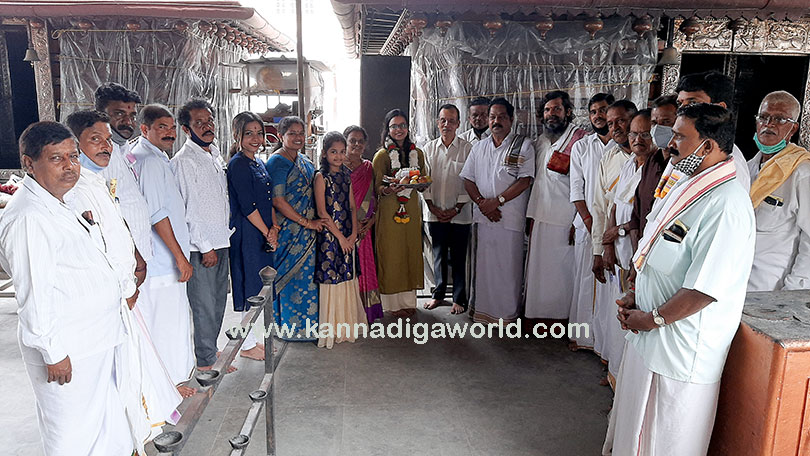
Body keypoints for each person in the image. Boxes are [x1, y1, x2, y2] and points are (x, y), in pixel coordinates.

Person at [603, 103, 755, 455]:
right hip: (649, 334)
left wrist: (652, 319)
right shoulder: (688, 184)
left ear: (708, 146)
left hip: (679, 349)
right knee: (634, 434)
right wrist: (637, 296)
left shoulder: (726, 203)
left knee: (665, 439)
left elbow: (705, 290)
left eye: (679, 137)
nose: (670, 144)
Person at [0, 122, 133, 455]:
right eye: (56, 158)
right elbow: (34, 294)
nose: (70, 166)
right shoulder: (29, 217)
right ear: (29, 164)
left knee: (103, 426)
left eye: (73, 156)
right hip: (68, 348)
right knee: (72, 436)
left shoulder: (59, 202)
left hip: (94, 338)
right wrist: (53, 353)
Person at [63, 110, 182, 450]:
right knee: (114, 378)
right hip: (105, 300)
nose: (106, 146)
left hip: (124, 288)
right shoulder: (74, 190)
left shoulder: (96, 181)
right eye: (95, 140)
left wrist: (136, 259)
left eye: (107, 139)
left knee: (132, 369)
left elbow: (118, 225)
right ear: (75, 146)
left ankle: (133, 434)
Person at [172, 99, 256, 367]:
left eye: (210, 121)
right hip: (201, 246)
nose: (207, 127)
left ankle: (210, 349)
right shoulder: (185, 161)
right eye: (199, 123)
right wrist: (205, 246)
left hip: (221, 240)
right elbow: (189, 209)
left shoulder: (214, 155)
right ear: (186, 129)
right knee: (204, 304)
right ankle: (205, 360)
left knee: (219, 300)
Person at [130, 104, 196, 397]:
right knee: (167, 325)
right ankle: (170, 384)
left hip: (160, 261)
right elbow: (157, 214)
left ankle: (168, 382)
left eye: (171, 127)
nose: (169, 133)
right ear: (145, 129)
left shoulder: (151, 157)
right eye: (161, 127)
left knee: (164, 323)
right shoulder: (150, 162)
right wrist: (180, 258)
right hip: (162, 262)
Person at [460, 97, 535, 323]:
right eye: (492, 117)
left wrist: (497, 201)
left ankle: (507, 315)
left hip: (509, 218)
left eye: (501, 117)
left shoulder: (523, 145)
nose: (496, 121)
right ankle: (482, 312)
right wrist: (483, 203)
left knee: (508, 269)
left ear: (511, 119)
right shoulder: (479, 147)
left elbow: (525, 180)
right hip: (483, 218)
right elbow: (467, 179)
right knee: (484, 268)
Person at [525, 91, 588, 332]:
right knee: (538, 273)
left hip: (566, 219)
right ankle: (536, 319)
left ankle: (560, 322)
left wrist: (578, 220)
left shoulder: (580, 140)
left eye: (557, 109)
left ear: (568, 112)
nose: (552, 114)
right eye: (547, 110)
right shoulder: (540, 142)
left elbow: (586, 184)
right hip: (540, 215)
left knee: (563, 273)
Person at [590, 100, 636, 382]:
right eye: (610, 123)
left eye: (621, 120)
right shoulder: (610, 158)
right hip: (613, 249)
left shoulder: (652, 159)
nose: (616, 127)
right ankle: (613, 373)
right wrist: (601, 248)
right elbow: (601, 207)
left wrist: (617, 233)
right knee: (614, 311)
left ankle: (624, 381)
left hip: (635, 248)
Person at [266, 116, 323, 340]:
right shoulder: (277, 163)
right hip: (288, 232)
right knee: (289, 280)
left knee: (308, 279)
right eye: (292, 133)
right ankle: (288, 329)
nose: (298, 137)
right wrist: (307, 222)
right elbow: (277, 201)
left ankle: (309, 329)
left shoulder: (304, 160)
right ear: (281, 136)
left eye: (301, 133)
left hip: (308, 233)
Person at [227, 112, 280, 355]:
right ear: (237, 135)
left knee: (261, 285)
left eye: (259, 133)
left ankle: (252, 338)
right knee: (250, 284)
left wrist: (274, 228)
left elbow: (268, 200)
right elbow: (248, 206)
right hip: (248, 232)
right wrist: (267, 231)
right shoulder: (238, 164)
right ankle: (246, 345)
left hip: (263, 231)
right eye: (249, 133)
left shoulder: (257, 162)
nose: (256, 138)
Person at [747, 91, 810, 291]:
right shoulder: (745, 168)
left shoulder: (802, 173)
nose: (769, 124)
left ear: (793, 128)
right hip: (734, 281)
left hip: (770, 288)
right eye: (764, 117)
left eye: (780, 119)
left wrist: (792, 290)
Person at [569, 92, 615, 357]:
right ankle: (582, 337)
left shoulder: (623, 145)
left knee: (609, 285)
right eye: (594, 111)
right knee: (585, 280)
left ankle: (605, 345)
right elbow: (576, 189)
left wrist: (606, 229)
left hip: (615, 227)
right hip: (586, 223)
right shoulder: (582, 146)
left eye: (603, 110)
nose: (598, 115)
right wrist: (590, 223)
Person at [313, 132, 368, 348]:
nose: (338, 156)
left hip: (347, 233)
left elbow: (352, 206)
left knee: (347, 276)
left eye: (342, 152)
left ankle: (347, 326)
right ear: (324, 154)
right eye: (333, 152)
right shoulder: (321, 177)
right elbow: (322, 212)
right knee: (333, 278)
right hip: (330, 236)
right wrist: (341, 239)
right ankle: (333, 329)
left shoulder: (346, 174)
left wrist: (353, 234)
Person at [372, 109, 426, 317]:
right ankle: (391, 304)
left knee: (410, 251)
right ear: (388, 129)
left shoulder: (417, 154)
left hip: (410, 209)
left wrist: (421, 185)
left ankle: (408, 301)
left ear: (408, 128)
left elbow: (422, 180)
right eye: (394, 126)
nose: (399, 129)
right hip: (389, 210)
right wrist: (389, 189)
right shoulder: (382, 156)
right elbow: (377, 187)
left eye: (402, 125)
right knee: (391, 253)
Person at [422, 104, 473, 314]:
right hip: (434, 213)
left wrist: (456, 208)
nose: (447, 125)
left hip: (460, 214)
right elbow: (423, 181)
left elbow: (470, 181)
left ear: (458, 124)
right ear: (437, 123)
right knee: (439, 256)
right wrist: (432, 206)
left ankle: (459, 298)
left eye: (451, 121)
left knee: (459, 257)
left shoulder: (468, 148)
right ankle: (438, 295)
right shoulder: (428, 149)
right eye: (443, 120)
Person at [603, 110, 656, 288]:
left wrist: (619, 230)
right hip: (620, 253)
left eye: (645, 134)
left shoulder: (658, 168)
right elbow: (615, 206)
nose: (637, 140)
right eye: (633, 134)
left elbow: (649, 216)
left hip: (641, 255)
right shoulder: (629, 163)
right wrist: (608, 245)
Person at [675, 71, 751, 189]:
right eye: (680, 103)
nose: (682, 110)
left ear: (719, 108)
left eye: (693, 103)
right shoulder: (686, 152)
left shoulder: (731, 165)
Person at [343, 125, 383, 322]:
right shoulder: (338, 166)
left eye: (360, 141)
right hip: (344, 229)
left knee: (364, 267)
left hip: (365, 229)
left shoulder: (368, 167)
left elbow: (375, 197)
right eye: (352, 140)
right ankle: (348, 312)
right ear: (345, 142)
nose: (356, 144)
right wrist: (352, 225)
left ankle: (365, 311)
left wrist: (372, 220)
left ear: (365, 144)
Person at [628, 95, 677, 246]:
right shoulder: (651, 161)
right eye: (655, 123)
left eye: (666, 122)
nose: (658, 128)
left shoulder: (682, 165)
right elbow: (637, 212)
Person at [94, 82, 141, 148]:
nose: (128, 122)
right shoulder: (94, 150)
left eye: (132, 116)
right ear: (100, 114)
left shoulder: (124, 145)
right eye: (119, 114)